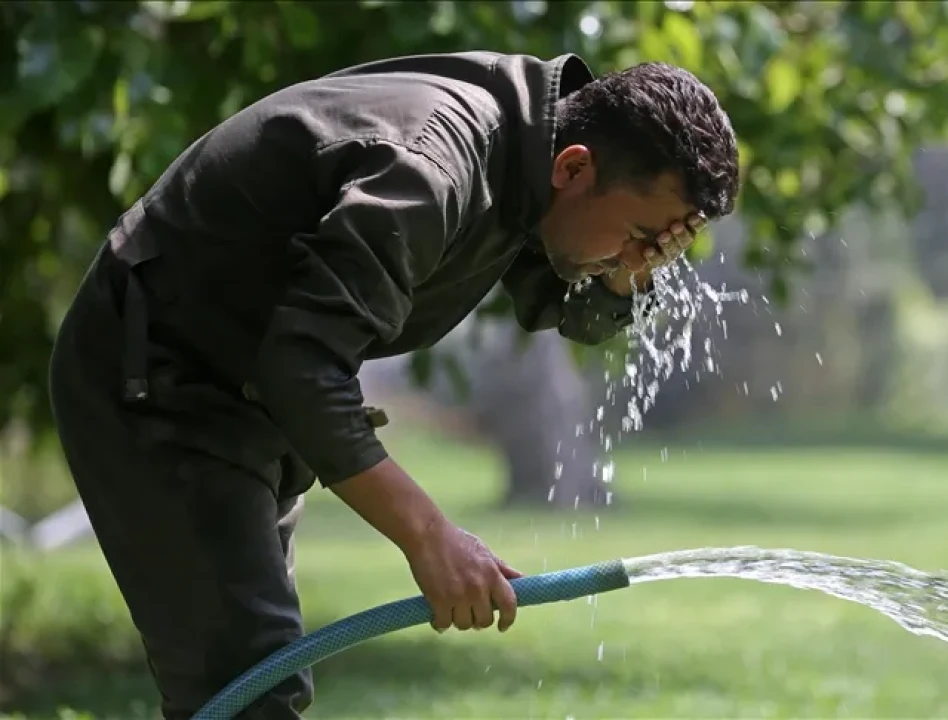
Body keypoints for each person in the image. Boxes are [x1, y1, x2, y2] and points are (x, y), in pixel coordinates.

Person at [48, 50, 740, 719]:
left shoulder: (537, 158)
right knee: (246, 685)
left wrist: (628, 266)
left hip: (246, 388)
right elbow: (303, 366)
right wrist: (430, 535)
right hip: (160, 368)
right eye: (639, 236)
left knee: (252, 672)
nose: (641, 261)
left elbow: (569, 303)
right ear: (575, 169)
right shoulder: (431, 167)